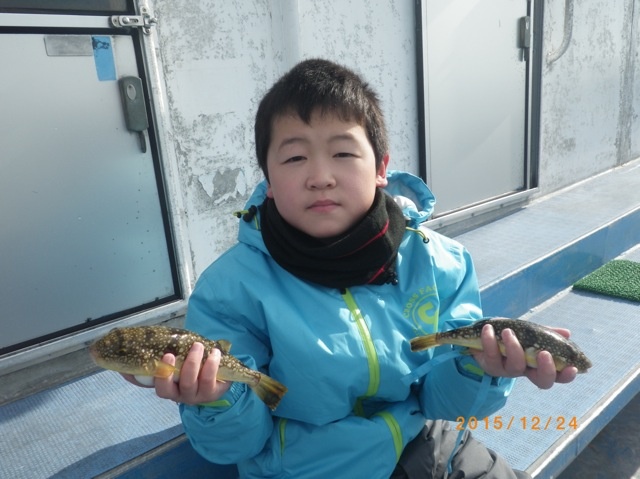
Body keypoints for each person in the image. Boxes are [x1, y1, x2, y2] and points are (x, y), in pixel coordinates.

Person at [124, 59, 576, 478]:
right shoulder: (230, 290)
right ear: (269, 181)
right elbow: (237, 443)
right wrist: (216, 401)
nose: (320, 176)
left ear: (381, 168)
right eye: (295, 158)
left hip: (427, 445)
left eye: (343, 153)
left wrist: (480, 368)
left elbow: (443, 402)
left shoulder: (440, 262)